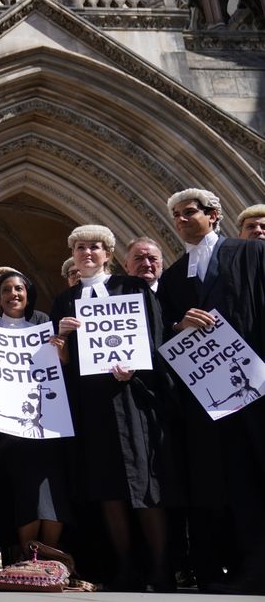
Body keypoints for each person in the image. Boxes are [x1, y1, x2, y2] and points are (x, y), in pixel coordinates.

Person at [51, 225, 177, 592]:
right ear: (73, 255)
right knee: (108, 489)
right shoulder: (65, 301)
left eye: (94, 248)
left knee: (146, 486)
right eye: (79, 248)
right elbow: (63, 361)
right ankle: (123, 569)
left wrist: (136, 368)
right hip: (93, 406)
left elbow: (155, 339)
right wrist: (63, 339)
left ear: (107, 253)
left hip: (134, 400)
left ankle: (160, 569)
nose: (86, 253)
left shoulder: (133, 289)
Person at [158, 189, 265, 594]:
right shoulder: (172, 277)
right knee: (227, 484)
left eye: (190, 213)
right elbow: (162, 333)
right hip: (210, 400)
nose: (183, 220)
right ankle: (239, 567)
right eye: (177, 216)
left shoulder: (251, 254)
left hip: (257, 390)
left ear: (214, 215)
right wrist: (177, 326)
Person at [0, 268, 71, 566]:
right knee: (24, 495)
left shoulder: (42, 323)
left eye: (19, 289)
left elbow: (60, 369)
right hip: (6, 435)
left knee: (53, 494)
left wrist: (62, 353)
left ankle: (49, 558)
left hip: (46, 427)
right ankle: (27, 557)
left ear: (28, 294)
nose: (13, 294)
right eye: (6, 290)